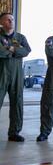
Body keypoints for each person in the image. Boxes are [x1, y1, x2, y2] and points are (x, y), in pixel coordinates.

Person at [0, 12, 31, 142]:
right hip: (1, 73)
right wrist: (14, 51)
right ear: (2, 22)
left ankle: (14, 132)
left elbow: (26, 50)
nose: (11, 21)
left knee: (17, 103)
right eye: (8, 20)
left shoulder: (20, 37)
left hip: (17, 75)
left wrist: (10, 49)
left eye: (12, 19)